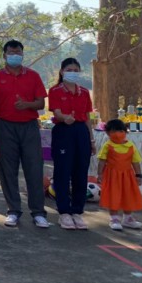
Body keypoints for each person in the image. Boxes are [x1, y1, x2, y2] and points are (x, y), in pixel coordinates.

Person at [0, 40, 49, 228]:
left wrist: (27, 105)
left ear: (22, 54)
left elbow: (41, 103)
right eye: (11, 52)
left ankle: (38, 212)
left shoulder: (33, 76)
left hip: (29, 126)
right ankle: (13, 210)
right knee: (8, 169)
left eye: (18, 52)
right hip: (6, 126)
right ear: (5, 55)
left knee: (34, 168)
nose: (15, 55)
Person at [48, 58, 96, 230]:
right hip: (64, 131)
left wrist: (91, 139)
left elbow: (87, 117)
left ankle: (77, 211)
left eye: (76, 70)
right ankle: (64, 212)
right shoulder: (55, 90)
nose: (73, 73)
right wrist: (64, 118)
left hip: (81, 132)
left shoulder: (84, 92)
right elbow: (57, 112)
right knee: (63, 171)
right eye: (69, 70)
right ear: (62, 71)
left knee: (81, 172)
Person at [97, 119, 142, 231]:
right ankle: (114, 218)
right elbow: (102, 161)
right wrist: (100, 174)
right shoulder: (107, 146)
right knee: (113, 195)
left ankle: (128, 218)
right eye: (113, 131)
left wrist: (138, 175)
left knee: (128, 195)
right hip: (112, 176)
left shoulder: (131, 146)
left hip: (128, 177)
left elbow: (135, 162)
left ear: (125, 132)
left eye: (120, 131)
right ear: (107, 133)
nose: (117, 134)